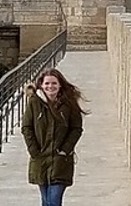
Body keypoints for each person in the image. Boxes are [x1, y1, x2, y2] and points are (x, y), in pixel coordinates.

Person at [21, 68, 87, 206]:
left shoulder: (69, 104)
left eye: (54, 83)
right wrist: (34, 151)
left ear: (60, 85)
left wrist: (65, 149)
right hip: (41, 159)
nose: (50, 87)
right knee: (46, 201)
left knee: (54, 201)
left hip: (60, 160)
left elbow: (76, 129)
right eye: (47, 84)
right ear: (41, 85)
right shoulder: (34, 103)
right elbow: (27, 127)